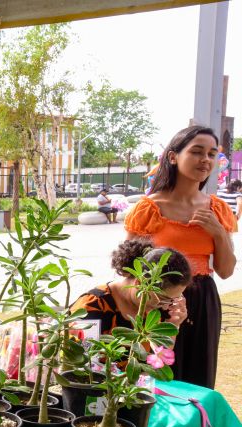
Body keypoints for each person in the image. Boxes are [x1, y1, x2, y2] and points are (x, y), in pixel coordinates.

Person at [124, 125, 237, 389]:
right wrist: (147, 302)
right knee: (156, 381)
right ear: (173, 157)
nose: (205, 160)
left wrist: (218, 232)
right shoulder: (149, 208)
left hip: (203, 300)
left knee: (199, 379)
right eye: (197, 151)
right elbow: (128, 269)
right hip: (158, 302)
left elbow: (226, 270)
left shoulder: (217, 209)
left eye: (211, 154)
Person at [71, 238, 190, 337]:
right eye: (163, 299)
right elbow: (78, 359)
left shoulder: (158, 309)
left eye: (174, 299)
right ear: (140, 283)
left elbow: (159, 360)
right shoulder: (92, 307)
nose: (166, 306)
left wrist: (173, 326)